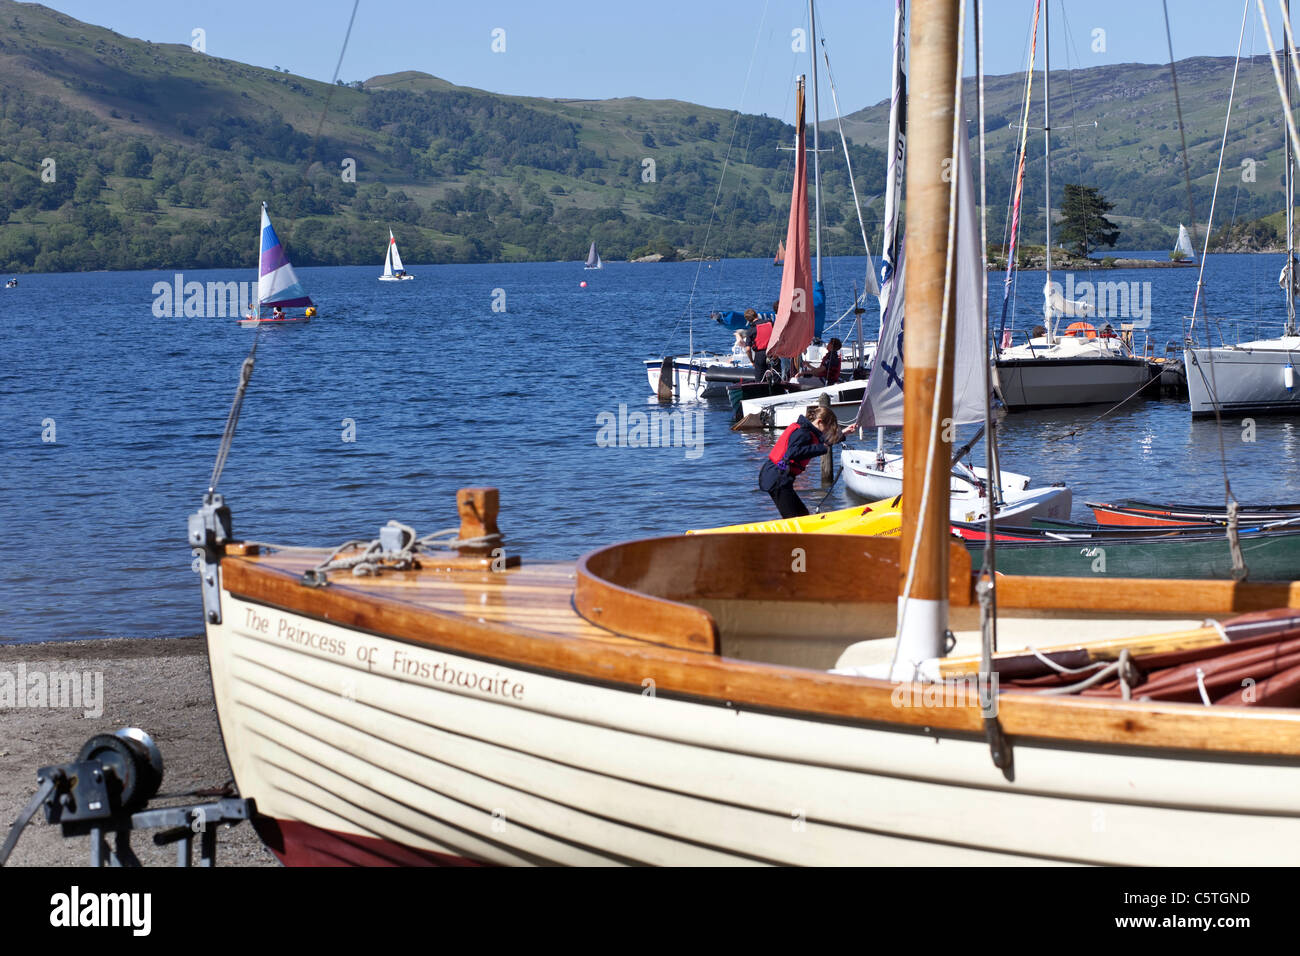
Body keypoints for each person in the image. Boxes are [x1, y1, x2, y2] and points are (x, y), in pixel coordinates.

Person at [758, 406, 841, 518]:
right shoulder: (803, 432)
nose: (826, 431)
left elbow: (821, 442)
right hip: (777, 477)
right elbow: (792, 452)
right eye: (827, 428)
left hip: (779, 476)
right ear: (820, 422)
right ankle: (793, 534)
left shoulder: (806, 430)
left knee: (802, 515)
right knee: (792, 517)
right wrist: (822, 449)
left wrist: (844, 434)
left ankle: (806, 533)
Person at [746, 308, 774, 380]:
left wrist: (752, 361)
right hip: (772, 353)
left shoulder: (751, 330)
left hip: (760, 355)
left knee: (760, 379)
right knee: (775, 375)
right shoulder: (770, 323)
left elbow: (748, 349)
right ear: (756, 315)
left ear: (748, 320)